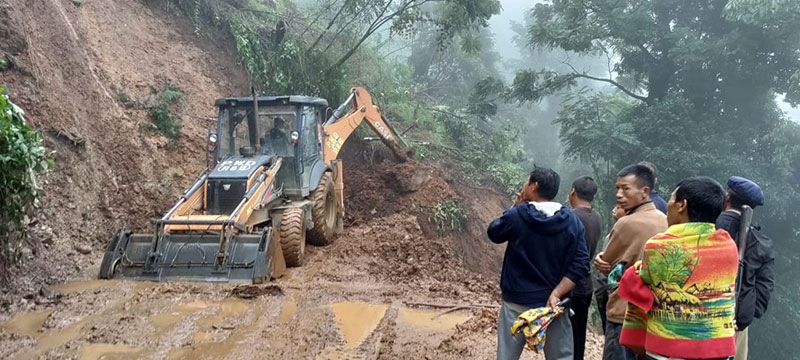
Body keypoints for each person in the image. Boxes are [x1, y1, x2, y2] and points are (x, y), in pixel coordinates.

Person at [618, 176, 739, 360]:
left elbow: (639, 280)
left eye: (671, 199)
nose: (668, 206)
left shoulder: (659, 247)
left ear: (682, 205)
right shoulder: (728, 246)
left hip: (670, 351)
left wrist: (631, 271)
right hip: (718, 351)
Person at [488, 167, 590, 360]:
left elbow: (494, 233)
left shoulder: (517, 215)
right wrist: (557, 293)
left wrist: (513, 207)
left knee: (507, 356)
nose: (524, 186)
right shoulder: (571, 221)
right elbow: (582, 263)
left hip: (516, 302)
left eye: (527, 182)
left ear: (534, 186)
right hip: (553, 307)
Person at [595, 164, 667, 360]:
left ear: (644, 192)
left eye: (626, 188)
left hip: (623, 312)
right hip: (653, 313)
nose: (619, 194)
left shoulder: (626, 223)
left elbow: (607, 266)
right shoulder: (664, 220)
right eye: (617, 188)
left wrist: (600, 262)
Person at [715, 176, 775, 360]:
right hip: (736, 323)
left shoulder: (706, 225)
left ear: (727, 198)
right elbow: (764, 287)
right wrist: (745, 313)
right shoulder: (761, 243)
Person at [567, 176, 603, 360]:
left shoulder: (569, 217)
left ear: (572, 191)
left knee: (566, 337)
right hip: (586, 284)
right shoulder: (596, 216)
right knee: (579, 334)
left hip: (569, 285)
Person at [593, 205, 626, 334]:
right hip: (606, 287)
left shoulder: (621, 234)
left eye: (619, 207)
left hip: (612, 289)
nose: (614, 209)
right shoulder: (612, 233)